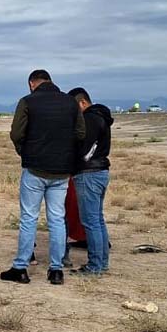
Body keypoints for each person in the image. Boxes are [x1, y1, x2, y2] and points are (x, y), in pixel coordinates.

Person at [2, 70, 87, 286]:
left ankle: (21, 268)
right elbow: (80, 133)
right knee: (57, 219)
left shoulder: (27, 102)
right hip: (62, 171)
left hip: (35, 169)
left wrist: (25, 151)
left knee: (29, 218)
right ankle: (56, 270)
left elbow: (16, 134)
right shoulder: (70, 103)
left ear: (32, 84)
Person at [62, 87, 113, 275]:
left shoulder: (90, 119)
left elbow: (84, 149)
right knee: (97, 220)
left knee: (91, 221)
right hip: (100, 171)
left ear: (82, 103)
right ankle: (102, 263)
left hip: (88, 173)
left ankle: (94, 266)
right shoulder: (102, 118)